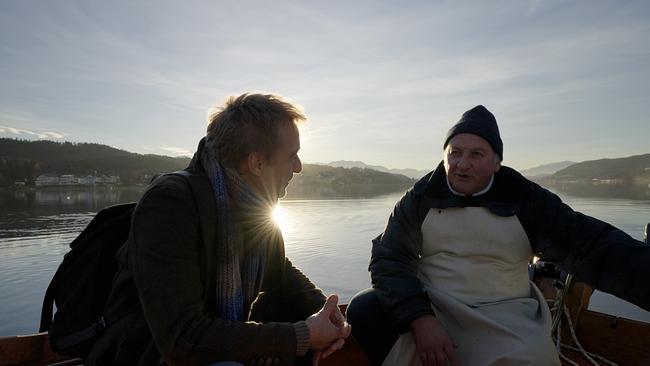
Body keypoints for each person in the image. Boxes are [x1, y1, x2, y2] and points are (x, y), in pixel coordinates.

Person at [346, 105, 650, 366]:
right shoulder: (420, 198)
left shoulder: (526, 200)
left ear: (497, 162)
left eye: (476, 154)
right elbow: (390, 259)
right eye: (455, 153)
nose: (462, 164)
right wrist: (420, 318)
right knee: (364, 309)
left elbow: (592, 247)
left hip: (506, 313)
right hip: (434, 306)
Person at [86, 93, 351, 366]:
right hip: (143, 353)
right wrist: (300, 336)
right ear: (257, 163)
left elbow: (281, 273)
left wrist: (326, 313)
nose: (298, 167)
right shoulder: (170, 205)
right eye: (292, 156)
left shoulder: (257, 206)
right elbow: (182, 338)